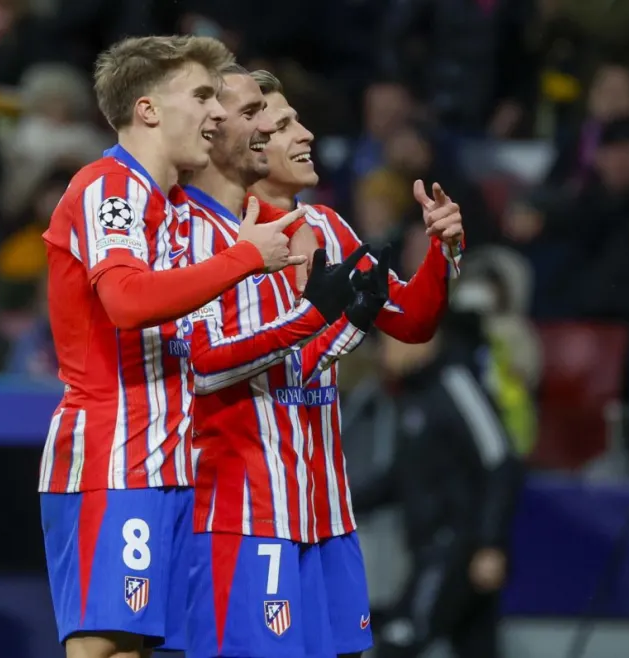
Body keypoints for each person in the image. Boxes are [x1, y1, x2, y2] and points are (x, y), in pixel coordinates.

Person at [38, 35, 310, 658]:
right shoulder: (110, 188)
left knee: (137, 647)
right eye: (202, 96)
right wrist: (245, 259)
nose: (216, 112)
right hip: (112, 455)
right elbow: (127, 302)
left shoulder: (174, 209)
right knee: (102, 646)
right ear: (148, 110)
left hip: (169, 463)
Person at [246, 69, 465, 658]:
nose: (308, 133)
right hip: (250, 503)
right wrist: (343, 327)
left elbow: (410, 321)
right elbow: (238, 362)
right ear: (245, 141)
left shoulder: (328, 227)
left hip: (327, 501)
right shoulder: (216, 238)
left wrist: (441, 251)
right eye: (285, 124)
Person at [182, 64, 379, 658]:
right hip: (238, 503)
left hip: (318, 504)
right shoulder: (191, 229)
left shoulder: (311, 229)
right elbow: (207, 363)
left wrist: (350, 322)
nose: (289, 134)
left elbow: (293, 359)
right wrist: (319, 318)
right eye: (258, 117)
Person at [351, 318, 522, 658]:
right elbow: (401, 478)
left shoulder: (455, 383)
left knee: (402, 639)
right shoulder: (416, 395)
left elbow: (501, 461)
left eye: (387, 342)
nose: (381, 353)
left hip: (455, 550)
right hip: (432, 549)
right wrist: (337, 504)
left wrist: (491, 543)